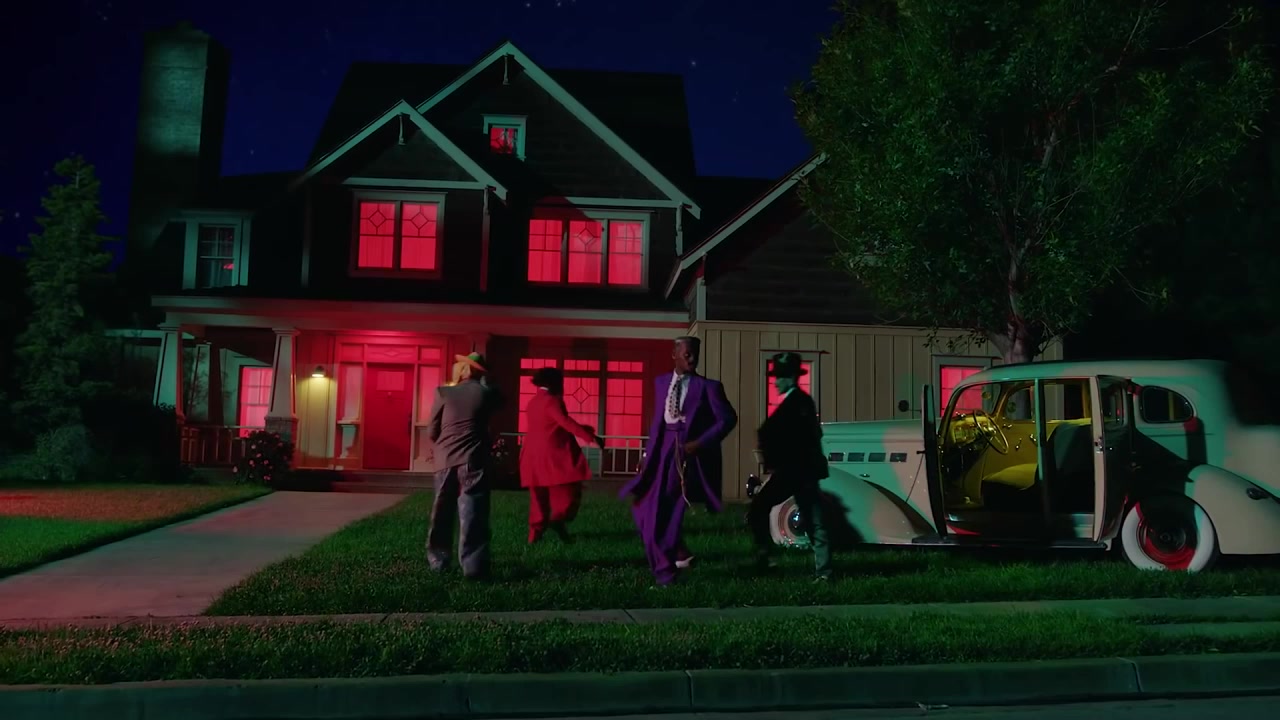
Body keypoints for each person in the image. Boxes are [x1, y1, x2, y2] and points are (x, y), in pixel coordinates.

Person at [620, 336, 738, 587]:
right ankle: (679, 552)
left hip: (684, 455)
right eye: (687, 354)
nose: (692, 358)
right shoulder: (661, 382)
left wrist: (700, 443)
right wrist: (646, 455)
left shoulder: (708, 387)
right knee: (641, 507)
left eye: (695, 354)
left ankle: (665, 573)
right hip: (660, 451)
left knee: (665, 511)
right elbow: (657, 423)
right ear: (674, 354)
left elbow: (728, 419)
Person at [747, 352, 832, 580]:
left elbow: (805, 437)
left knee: (811, 521)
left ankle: (820, 571)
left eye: (780, 377)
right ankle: (820, 570)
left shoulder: (799, 403)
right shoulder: (796, 402)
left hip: (797, 472)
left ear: (791, 377)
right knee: (810, 520)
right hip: (795, 471)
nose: (776, 382)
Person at [426, 352, 504, 580]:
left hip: (444, 460)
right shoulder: (486, 394)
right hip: (474, 459)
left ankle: (438, 562)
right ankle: (473, 567)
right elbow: (499, 409)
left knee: (441, 513)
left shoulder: (443, 392)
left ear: (462, 370)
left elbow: (432, 431)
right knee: (473, 513)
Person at [520, 366, 603, 544]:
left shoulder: (533, 402)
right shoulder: (552, 401)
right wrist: (591, 437)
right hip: (552, 455)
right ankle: (557, 521)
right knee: (568, 493)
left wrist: (583, 430)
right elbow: (564, 421)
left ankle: (535, 535)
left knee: (539, 497)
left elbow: (552, 422)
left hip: (532, 456)